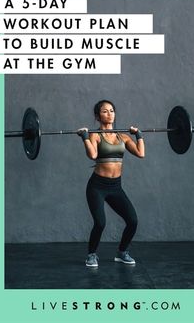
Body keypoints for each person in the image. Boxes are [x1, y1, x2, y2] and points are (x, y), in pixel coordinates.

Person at [77, 100, 145, 267]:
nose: (109, 114)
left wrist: (139, 135)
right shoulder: (95, 135)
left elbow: (140, 153)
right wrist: (84, 137)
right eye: (105, 111)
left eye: (112, 110)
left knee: (133, 220)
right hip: (97, 187)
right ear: (97, 116)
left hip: (116, 187)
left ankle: (122, 252)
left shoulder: (123, 136)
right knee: (100, 223)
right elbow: (92, 155)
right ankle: (91, 255)